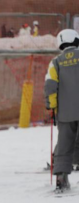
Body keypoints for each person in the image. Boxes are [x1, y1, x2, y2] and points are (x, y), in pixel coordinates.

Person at [45, 29, 79, 192]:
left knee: (64, 144)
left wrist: (52, 106)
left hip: (65, 113)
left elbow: (50, 85)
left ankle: (61, 177)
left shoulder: (56, 62)